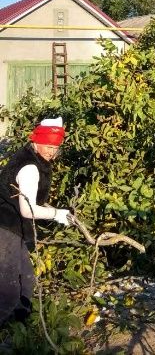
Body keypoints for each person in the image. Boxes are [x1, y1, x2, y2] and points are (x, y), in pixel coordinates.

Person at [0, 117, 73, 325]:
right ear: (37, 141)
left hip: (13, 228)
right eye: (48, 146)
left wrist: (61, 212)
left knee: (26, 279)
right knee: (8, 289)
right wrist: (56, 214)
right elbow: (27, 210)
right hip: (5, 227)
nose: (52, 152)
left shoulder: (32, 158)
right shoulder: (30, 168)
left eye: (55, 147)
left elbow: (31, 200)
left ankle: (20, 329)